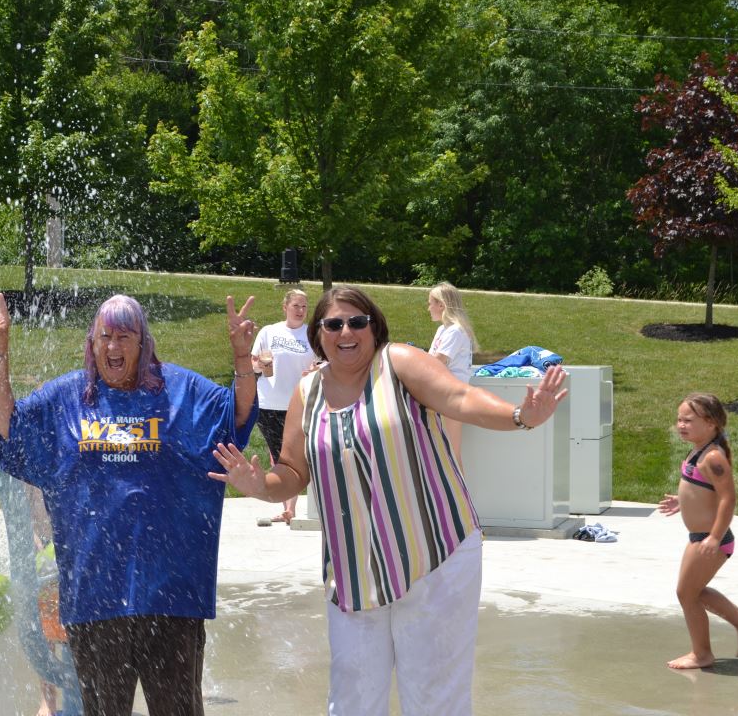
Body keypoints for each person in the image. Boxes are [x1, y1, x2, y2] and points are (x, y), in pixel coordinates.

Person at [210, 285, 567, 716]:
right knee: (352, 699)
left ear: (373, 327)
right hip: (354, 569)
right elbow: (291, 474)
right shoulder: (307, 392)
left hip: (435, 553)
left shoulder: (396, 363)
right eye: (334, 323)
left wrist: (519, 416)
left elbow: (460, 397)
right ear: (318, 334)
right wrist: (259, 484)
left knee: (435, 699)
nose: (346, 331)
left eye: (357, 322)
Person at [0, 291, 258, 716]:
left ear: (143, 342)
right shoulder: (66, 400)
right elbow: (8, 427)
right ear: (92, 343)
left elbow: (235, 416)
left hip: (170, 597)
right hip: (95, 599)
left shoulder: (179, 391)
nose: (113, 347)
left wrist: (242, 359)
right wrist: (0, 354)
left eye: (124, 337)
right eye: (105, 336)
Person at [658, 393, 738, 669]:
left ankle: (702, 654)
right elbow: (706, 491)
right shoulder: (699, 450)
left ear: (711, 423)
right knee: (694, 591)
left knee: (686, 594)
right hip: (701, 537)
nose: (681, 425)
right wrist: (683, 501)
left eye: (689, 420)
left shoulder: (713, 457)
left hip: (711, 539)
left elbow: (729, 498)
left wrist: (714, 536)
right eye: (679, 419)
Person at [251, 288, 314, 523]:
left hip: (300, 401)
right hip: (269, 402)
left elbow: (324, 361)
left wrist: (316, 369)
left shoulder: (312, 334)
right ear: (285, 307)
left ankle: (297, 507)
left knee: (299, 454)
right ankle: (288, 507)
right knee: (278, 454)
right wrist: (261, 364)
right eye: (296, 305)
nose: (300, 310)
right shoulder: (270, 332)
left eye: (304, 306)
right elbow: (254, 362)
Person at [427, 282, 479, 461]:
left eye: (430, 303)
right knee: (444, 454)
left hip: (452, 396)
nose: (428, 308)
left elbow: (437, 362)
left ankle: (458, 489)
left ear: (441, 305)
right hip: (444, 395)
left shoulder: (455, 331)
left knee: (451, 455)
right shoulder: (444, 329)